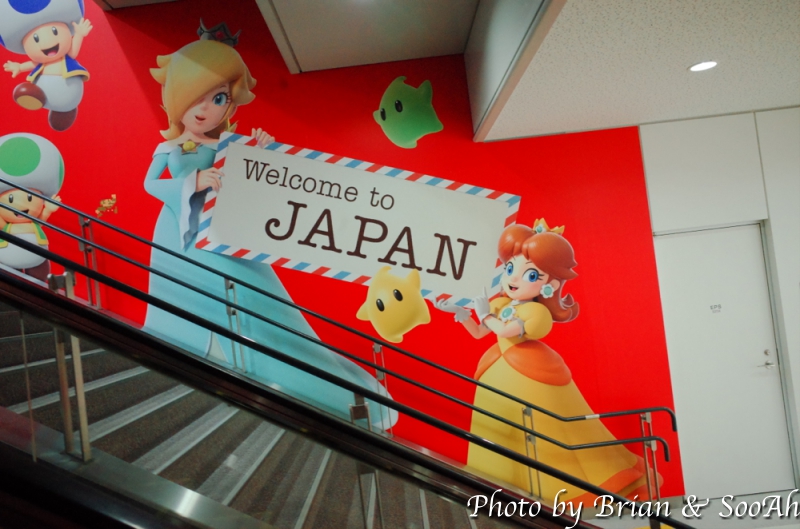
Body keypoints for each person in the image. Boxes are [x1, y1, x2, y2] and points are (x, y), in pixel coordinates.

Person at [143, 27, 394, 429]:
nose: (206, 109)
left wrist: (261, 154)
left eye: (219, 98)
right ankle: (197, 355)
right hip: (179, 231)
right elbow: (151, 184)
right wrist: (193, 182)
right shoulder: (170, 147)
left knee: (256, 299)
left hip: (222, 232)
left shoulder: (228, 143)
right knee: (187, 295)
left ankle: (273, 371)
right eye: (197, 96)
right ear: (177, 96)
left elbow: (254, 183)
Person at [436, 220, 659, 504]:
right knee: (501, 431)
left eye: (530, 274)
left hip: (531, 375)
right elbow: (481, 333)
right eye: (510, 268)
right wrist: (461, 313)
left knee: (546, 432)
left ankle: (557, 490)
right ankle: (498, 489)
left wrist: (486, 315)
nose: (514, 279)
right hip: (498, 371)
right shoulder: (501, 305)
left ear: (550, 285)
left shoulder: (537, 314)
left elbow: (504, 330)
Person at [0, 0, 91, 131]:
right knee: (34, 93)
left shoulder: (66, 58)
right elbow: (33, 64)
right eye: (36, 38)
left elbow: (73, 52)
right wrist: (19, 67)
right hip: (43, 94)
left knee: (65, 107)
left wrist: (79, 34)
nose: (47, 43)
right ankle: (37, 96)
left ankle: (63, 110)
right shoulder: (40, 62)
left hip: (70, 97)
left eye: (54, 31)